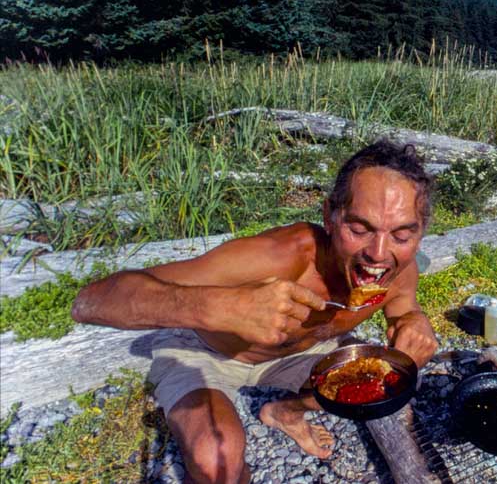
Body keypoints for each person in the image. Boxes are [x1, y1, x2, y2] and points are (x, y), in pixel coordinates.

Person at [71, 141, 439, 484]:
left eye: (401, 236)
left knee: (372, 382)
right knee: (216, 458)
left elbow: (403, 308)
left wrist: (413, 321)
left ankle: (286, 412)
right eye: (359, 229)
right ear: (329, 216)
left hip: (302, 352)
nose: (378, 253)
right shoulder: (280, 256)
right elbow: (92, 302)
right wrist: (220, 306)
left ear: (419, 233)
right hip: (207, 351)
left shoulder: (397, 270)